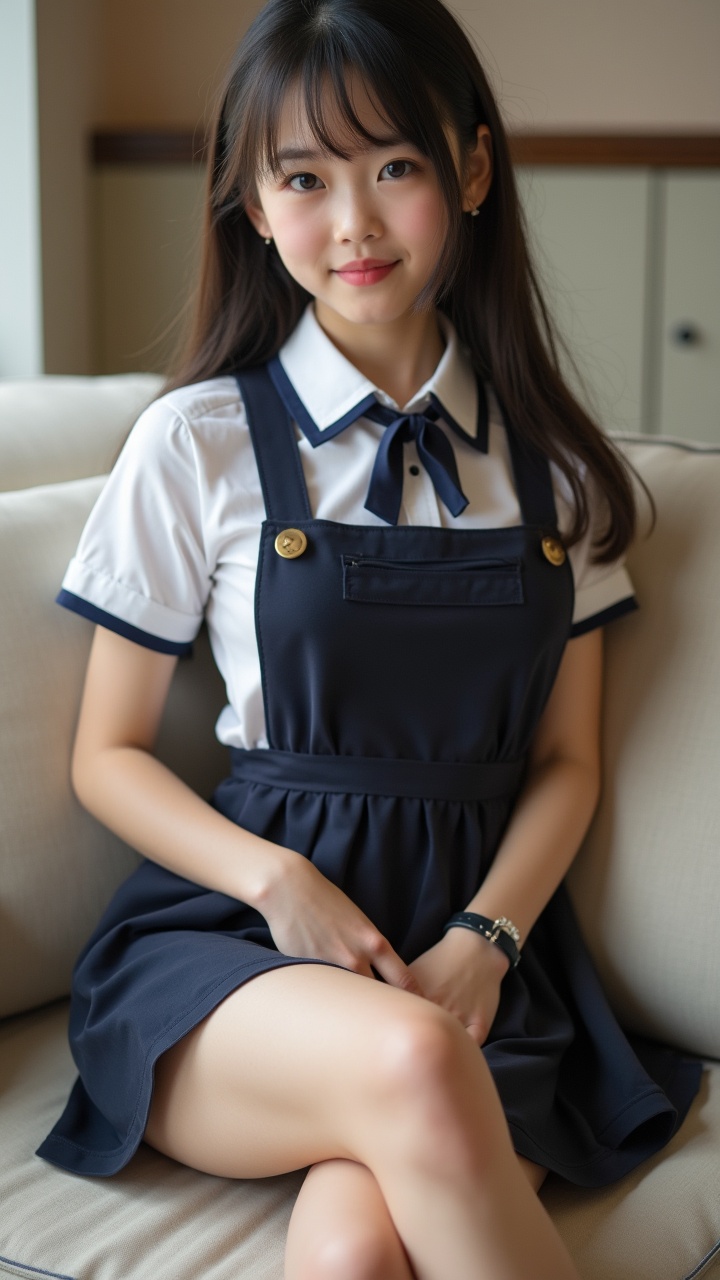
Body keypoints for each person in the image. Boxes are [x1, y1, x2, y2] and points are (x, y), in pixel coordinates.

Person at [38, 1, 701, 1276]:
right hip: (233, 954)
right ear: (252, 200)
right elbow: (104, 755)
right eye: (304, 177)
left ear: (470, 168)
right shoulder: (199, 445)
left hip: (479, 961)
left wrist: (483, 941)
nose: (352, 221)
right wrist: (280, 883)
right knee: (408, 1057)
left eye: (394, 165)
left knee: (350, 1254)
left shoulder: (552, 467)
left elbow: (567, 760)